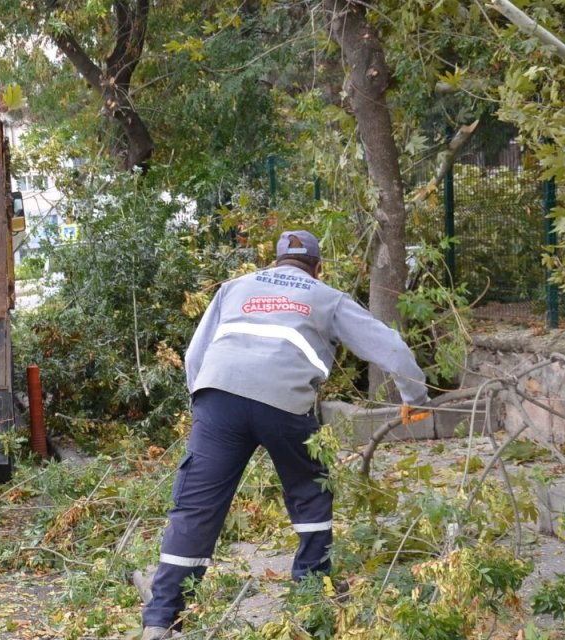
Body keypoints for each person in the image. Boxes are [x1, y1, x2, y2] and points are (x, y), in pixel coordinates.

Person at [141, 230, 432, 638]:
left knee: (195, 508)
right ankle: (312, 586)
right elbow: (391, 347)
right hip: (284, 403)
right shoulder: (324, 295)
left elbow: (194, 354)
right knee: (311, 489)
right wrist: (415, 398)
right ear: (317, 267)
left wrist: (205, 408)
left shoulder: (234, 288)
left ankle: (160, 620)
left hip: (218, 397)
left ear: (274, 261)